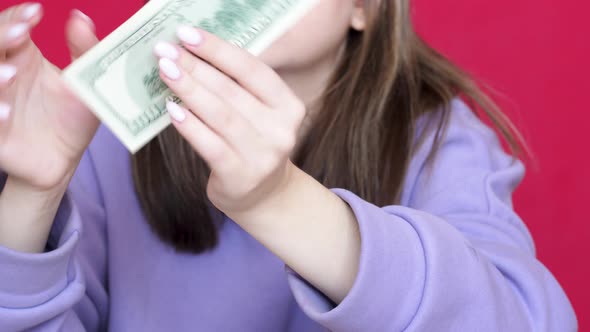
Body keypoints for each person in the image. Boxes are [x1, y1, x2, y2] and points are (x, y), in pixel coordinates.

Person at [0, 1, 577, 331]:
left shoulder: (443, 145)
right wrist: (32, 194)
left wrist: (276, 201)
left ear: (365, 8)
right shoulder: (107, 140)